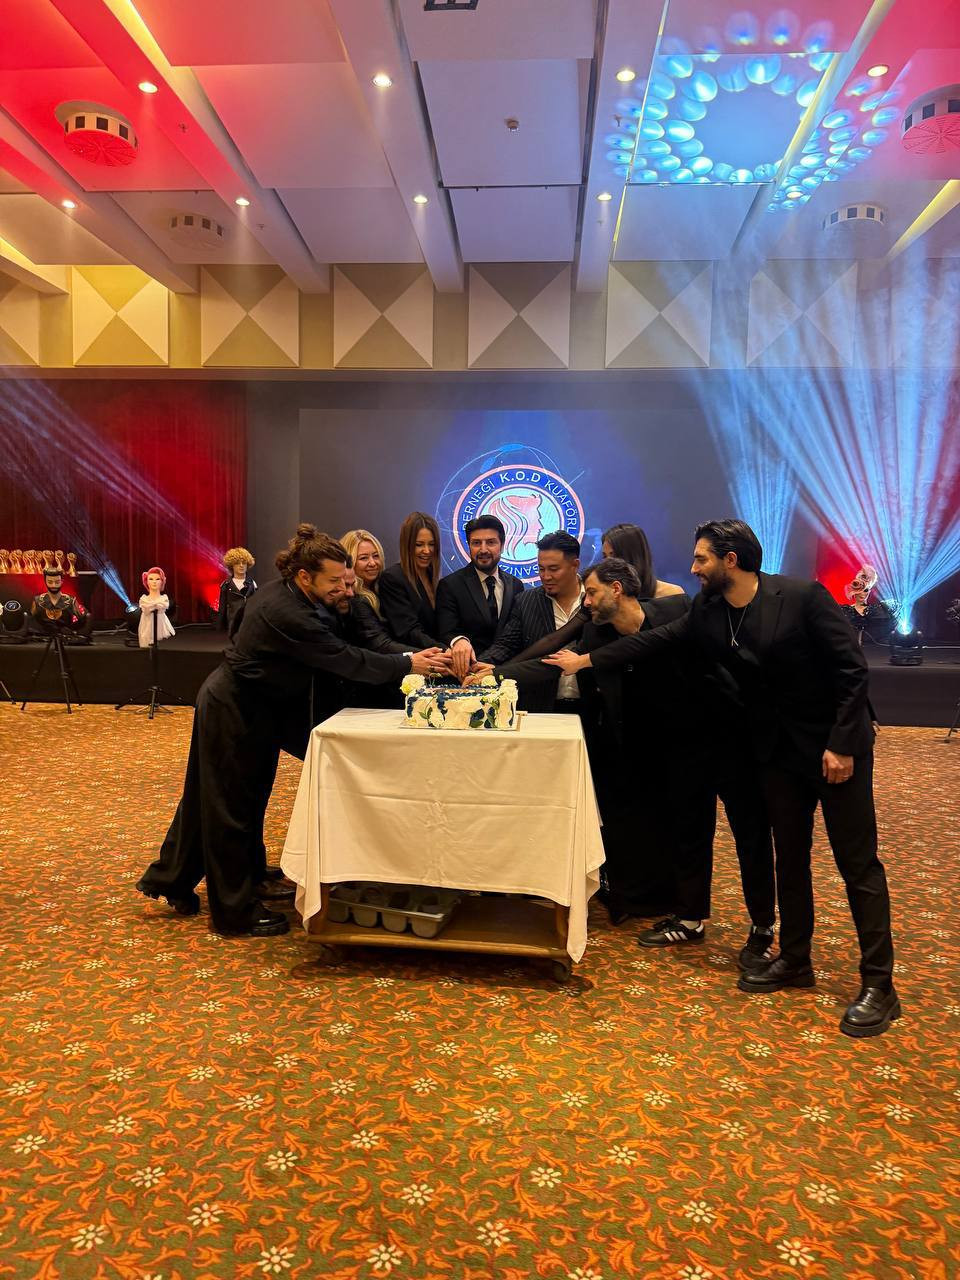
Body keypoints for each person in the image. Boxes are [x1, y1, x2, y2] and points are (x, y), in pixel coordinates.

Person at [546, 520, 898, 1038]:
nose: (693, 568)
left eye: (701, 559)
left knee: (857, 864)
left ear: (731, 559)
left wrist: (843, 744)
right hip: (777, 754)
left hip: (834, 749)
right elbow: (657, 639)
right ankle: (795, 959)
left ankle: (879, 985)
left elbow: (851, 671)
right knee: (790, 858)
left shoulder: (801, 596)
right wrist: (586, 660)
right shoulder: (710, 610)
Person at [136, 525, 443, 938]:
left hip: (257, 705)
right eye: (334, 582)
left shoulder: (289, 594)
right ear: (305, 576)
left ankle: (194, 879)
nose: (344, 590)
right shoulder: (288, 612)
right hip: (233, 707)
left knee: (241, 799)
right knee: (230, 809)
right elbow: (345, 659)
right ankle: (234, 912)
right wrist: (408, 663)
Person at [476, 532, 584, 713]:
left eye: (554, 569)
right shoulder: (527, 601)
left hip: (592, 706)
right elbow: (505, 646)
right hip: (540, 706)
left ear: (575, 565)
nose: (546, 576)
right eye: (541, 569)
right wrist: (478, 666)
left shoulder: (594, 600)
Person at [436, 515, 525, 680]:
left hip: (505, 676)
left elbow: (516, 635)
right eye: (476, 543)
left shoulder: (516, 585)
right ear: (469, 546)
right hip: (464, 678)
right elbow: (446, 631)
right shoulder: (450, 585)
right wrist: (459, 641)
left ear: (502, 545)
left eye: (491, 542)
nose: (483, 550)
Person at [379, 513, 443, 650]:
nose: (427, 551)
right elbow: (408, 631)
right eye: (419, 544)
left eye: (431, 544)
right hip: (416, 657)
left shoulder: (434, 578)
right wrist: (446, 651)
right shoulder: (392, 578)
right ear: (407, 545)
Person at [601, 523, 687, 599]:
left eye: (614, 556)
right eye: (605, 557)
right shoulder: (602, 599)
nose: (607, 564)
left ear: (633, 557)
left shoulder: (672, 595)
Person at [30, 567, 92, 644]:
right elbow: (32, 622)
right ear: (45, 581)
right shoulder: (37, 601)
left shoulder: (71, 601)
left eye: (57, 582)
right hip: (43, 640)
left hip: (66, 640)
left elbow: (82, 619)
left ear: (62, 581)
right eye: (50, 582)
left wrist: (71, 630)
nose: (53, 585)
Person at [841, 564, 895, 646]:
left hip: (874, 652)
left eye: (866, 590)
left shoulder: (880, 611)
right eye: (859, 590)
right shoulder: (844, 611)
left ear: (869, 591)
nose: (862, 594)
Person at [340, 529, 385, 616]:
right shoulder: (354, 598)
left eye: (376, 556)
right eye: (364, 558)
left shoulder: (384, 589)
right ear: (350, 561)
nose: (372, 563)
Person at [216, 548, 257, 633]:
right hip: (232, 621)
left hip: (248, 621)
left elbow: (256, 604)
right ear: (232, 566)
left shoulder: (252, 584)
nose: (241, 565)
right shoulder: (226, 585)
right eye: (237, 563)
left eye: (244, 563)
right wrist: (220, 625)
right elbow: (222, 606)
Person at [138, 567, 175, 648]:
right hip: (146, 623)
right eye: (151, 579)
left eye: (157, 579)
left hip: (160, 623)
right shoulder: (144, 600)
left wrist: (155, 605)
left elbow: (162, 606)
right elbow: (147, 609)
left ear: (162, 581)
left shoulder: (163, 599)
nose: (154, 582)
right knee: (146, 644)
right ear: (146, 581)